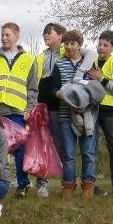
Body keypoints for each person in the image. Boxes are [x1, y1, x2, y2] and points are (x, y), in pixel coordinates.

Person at [0, 22, 37, 197]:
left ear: (16, 36)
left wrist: (29, 108)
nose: (4, 38)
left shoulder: (29, 60)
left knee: (21, 149)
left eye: (7, 35)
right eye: (2, 35)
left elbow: (32, 88)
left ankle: (23, 184)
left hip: (20, 112)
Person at [51, 29, 99, 197]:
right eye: (67, 44)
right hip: (65, 115)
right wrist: (63, 94)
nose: (70, 47)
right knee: (69, 154)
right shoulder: (59, 64)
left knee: (88, 152)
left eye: (73, 43)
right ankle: (68, 185)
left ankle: (88, 185)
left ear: (79, 45)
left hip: (88, 115)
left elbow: (97, 88)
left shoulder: (90, 63)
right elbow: (53, 89)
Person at [86, 29, 113, 195]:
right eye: (99, 44)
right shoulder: (91, 62)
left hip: (110, 110)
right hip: (92, 109)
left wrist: (101, 78)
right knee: (91, 148)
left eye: (105, 45)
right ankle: (91, 184)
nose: (101, 48)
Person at [33, 22, 67, 197]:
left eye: (49, 33)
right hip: (41, 106)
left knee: (62, 144)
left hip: (60, 107)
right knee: (41, 145)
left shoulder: (67, 52)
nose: (45, 36)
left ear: (60, 36)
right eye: (44, 33)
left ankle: (67, 183)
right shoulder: (39, 56)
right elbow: (33, 80)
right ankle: (42, 184)